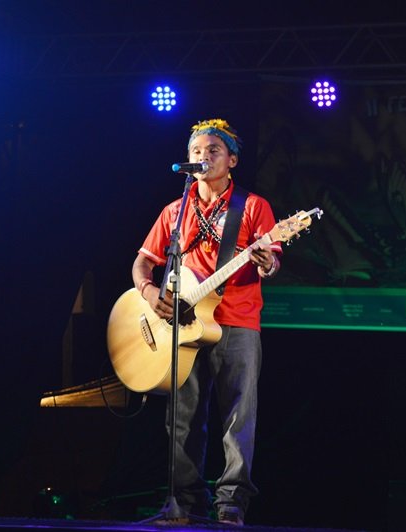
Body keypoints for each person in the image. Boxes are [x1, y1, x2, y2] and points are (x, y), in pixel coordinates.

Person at [131, 118, 281, 526]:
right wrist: (150, 292)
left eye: (213, 150)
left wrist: (266, 261)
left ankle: (232, 502)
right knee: (181, 417)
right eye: (196, 151)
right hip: (183, 327)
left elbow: (272, 260)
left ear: (232, 160)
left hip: (237, 322)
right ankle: (183, 501)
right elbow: (143, 262)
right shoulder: (175, 210)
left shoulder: (253, 206)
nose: (203, 156)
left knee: (238, 415)